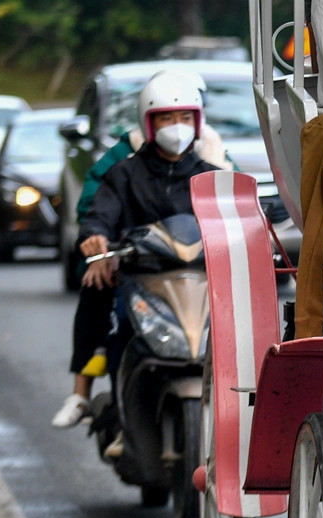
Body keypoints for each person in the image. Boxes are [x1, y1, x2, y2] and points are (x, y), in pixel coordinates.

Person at [50, 71, 220, 433]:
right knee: (96, 283)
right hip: (142, 278)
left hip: (202, 280)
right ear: (148, 122)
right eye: (166, 118)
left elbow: (242, 214)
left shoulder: (213, 177)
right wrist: (96, 241)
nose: (177, 127)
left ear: (198, 122)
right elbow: (99, 214)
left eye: (184, 118)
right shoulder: (123, 174)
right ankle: (83, 393)